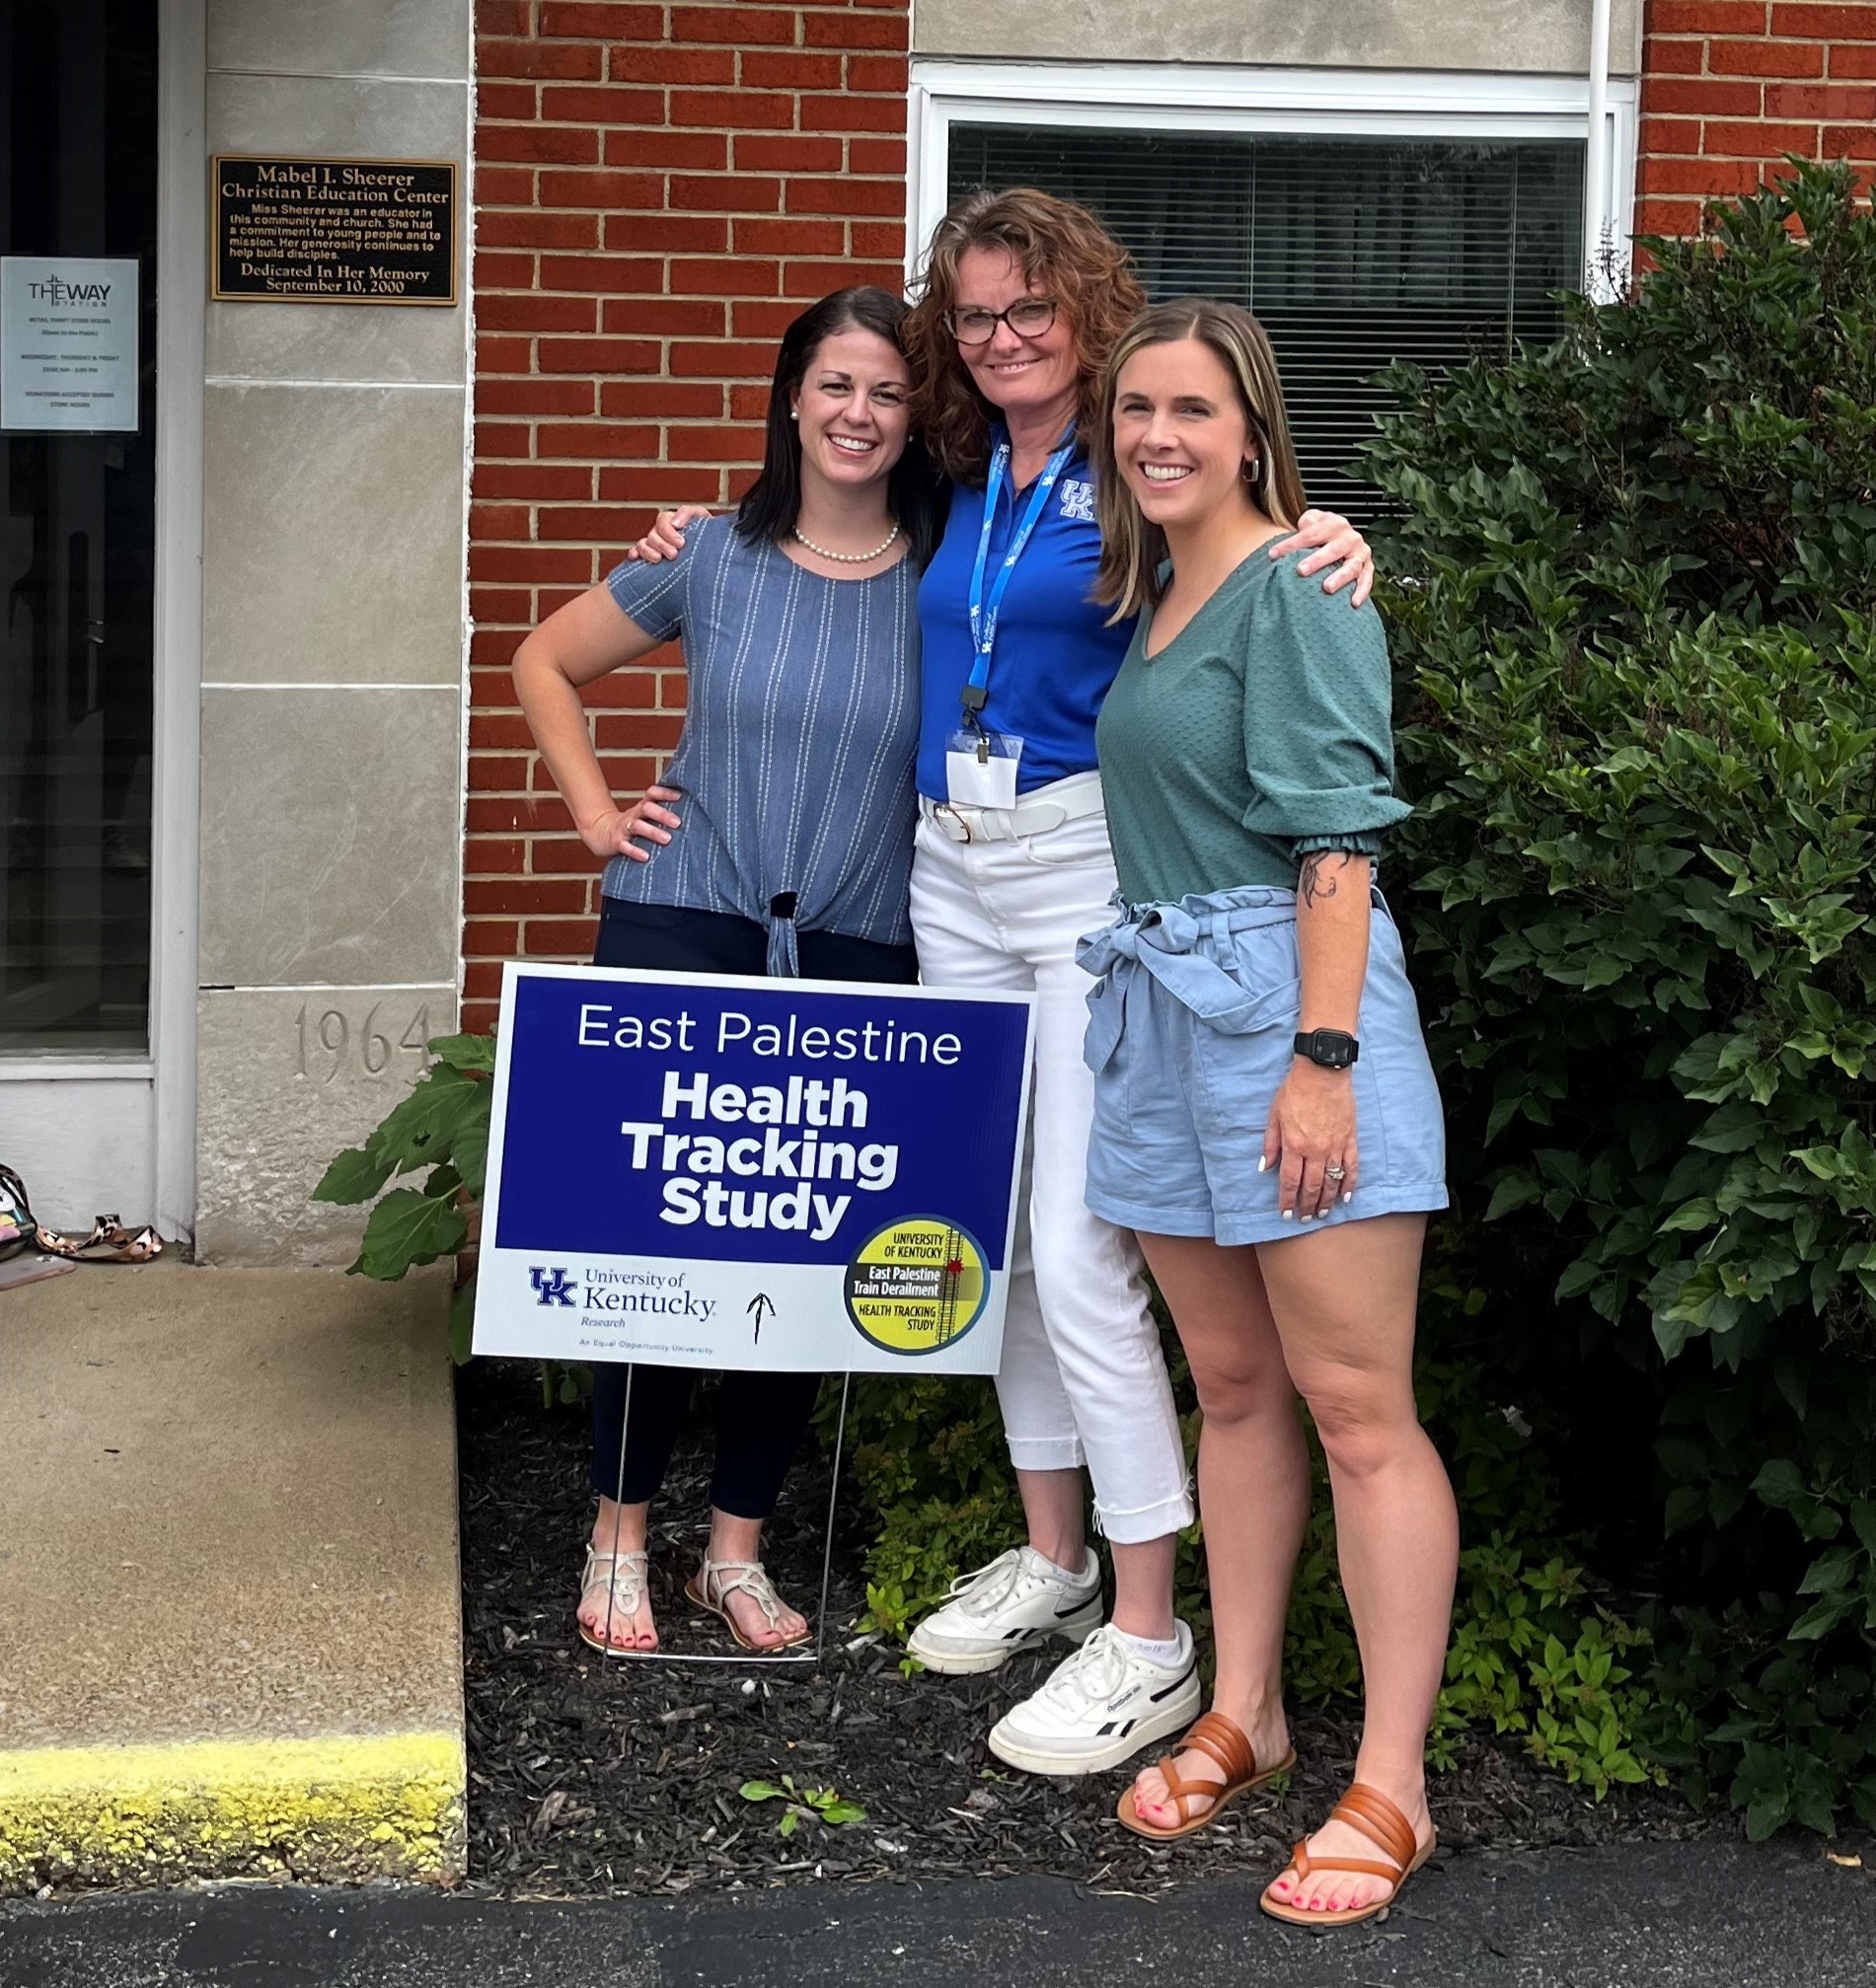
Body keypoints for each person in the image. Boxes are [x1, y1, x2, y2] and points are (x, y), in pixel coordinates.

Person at [635, 188, 1376, 1772]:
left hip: (1077, 864)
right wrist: (686, 535)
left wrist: (1336, 532)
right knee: (999, 1228)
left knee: (1074, 1235)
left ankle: (1151, 1627)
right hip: (942, 864)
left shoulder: (1134, 462)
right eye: (970, 316)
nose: (1002, 337)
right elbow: (811, 495)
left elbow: (1254, 548)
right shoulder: (951, 462)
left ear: (1085, 306)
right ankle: (1056, 1552)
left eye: (1028, 309)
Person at [1081, 297, 1453, 1929]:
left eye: (1189, 408)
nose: (1156, 432)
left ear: (1251, 432)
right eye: (1134, 406)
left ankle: (1392, 1784)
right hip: (1158, 1011)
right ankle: (1247, 1706)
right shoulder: (1155, 594)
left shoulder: (1298, 586)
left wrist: (1319, 1055)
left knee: (1356, 1407)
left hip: (1286, 1007)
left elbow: (1338, 842)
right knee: (1232, 1390)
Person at [512, 286, 941, 1657]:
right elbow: (545, 659)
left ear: (913, 413)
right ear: (791, 398)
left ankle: (734, 1552)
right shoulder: (708, 551)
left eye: (884, 390)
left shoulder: (948, 576)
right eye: (834, 385)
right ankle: (620, 1531)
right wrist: (592, 813)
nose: (858, 413)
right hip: (681, 918)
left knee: (807, 1260)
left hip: (858, 943)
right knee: (647, 1249)